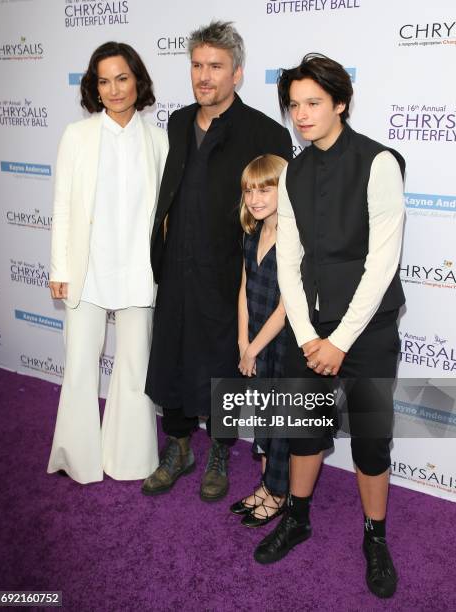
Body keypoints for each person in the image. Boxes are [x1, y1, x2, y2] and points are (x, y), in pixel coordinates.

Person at [253, 54, 405, 600]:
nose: (301, 114)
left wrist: (340, 342)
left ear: (341, 102)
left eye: (313, 102)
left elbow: (381, 264)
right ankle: (298, 517)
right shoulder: (293, 171)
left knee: (370, 437)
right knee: (303, 431)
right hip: (309, 328)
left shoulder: (379, 162)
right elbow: (288, 260)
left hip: (367, 328)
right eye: (294, 104)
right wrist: (307, 334)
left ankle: (376, 537)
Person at [143, 21, 292, 501]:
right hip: (177, 265)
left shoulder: (265, 132)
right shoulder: (179, 120)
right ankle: (179, 447)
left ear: (238, 74)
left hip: (231, 273)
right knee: (172, 355)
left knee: (223, 364)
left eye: (216, 67)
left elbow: (276, 212)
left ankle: (220, 451)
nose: (204, 77)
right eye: (197, 66)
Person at [47, 42, 168, 484]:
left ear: (138, 80)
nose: (114, 89)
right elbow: (62, 207)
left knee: (135, 367)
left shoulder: (159, 139)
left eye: (122, 78)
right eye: (104, 80)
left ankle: (131, 459)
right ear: (93, 88)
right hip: (88, 268)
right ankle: (77, 457)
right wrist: (60, 268)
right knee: (79, 363)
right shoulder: (76, 137)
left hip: (139, 270)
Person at [230, 154, 289, 527]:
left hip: (282, 346)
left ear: (284, 189)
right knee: (264, 417)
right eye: (249, 190)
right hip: (254, 343)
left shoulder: (293, 238)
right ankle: (266, 487)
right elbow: (244, 288)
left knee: (282, 422)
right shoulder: (252, 233)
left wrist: (254, 346)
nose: (255, 198)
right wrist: (242, 340)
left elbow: (287, 308)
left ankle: (280, 495)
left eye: (265, 188)